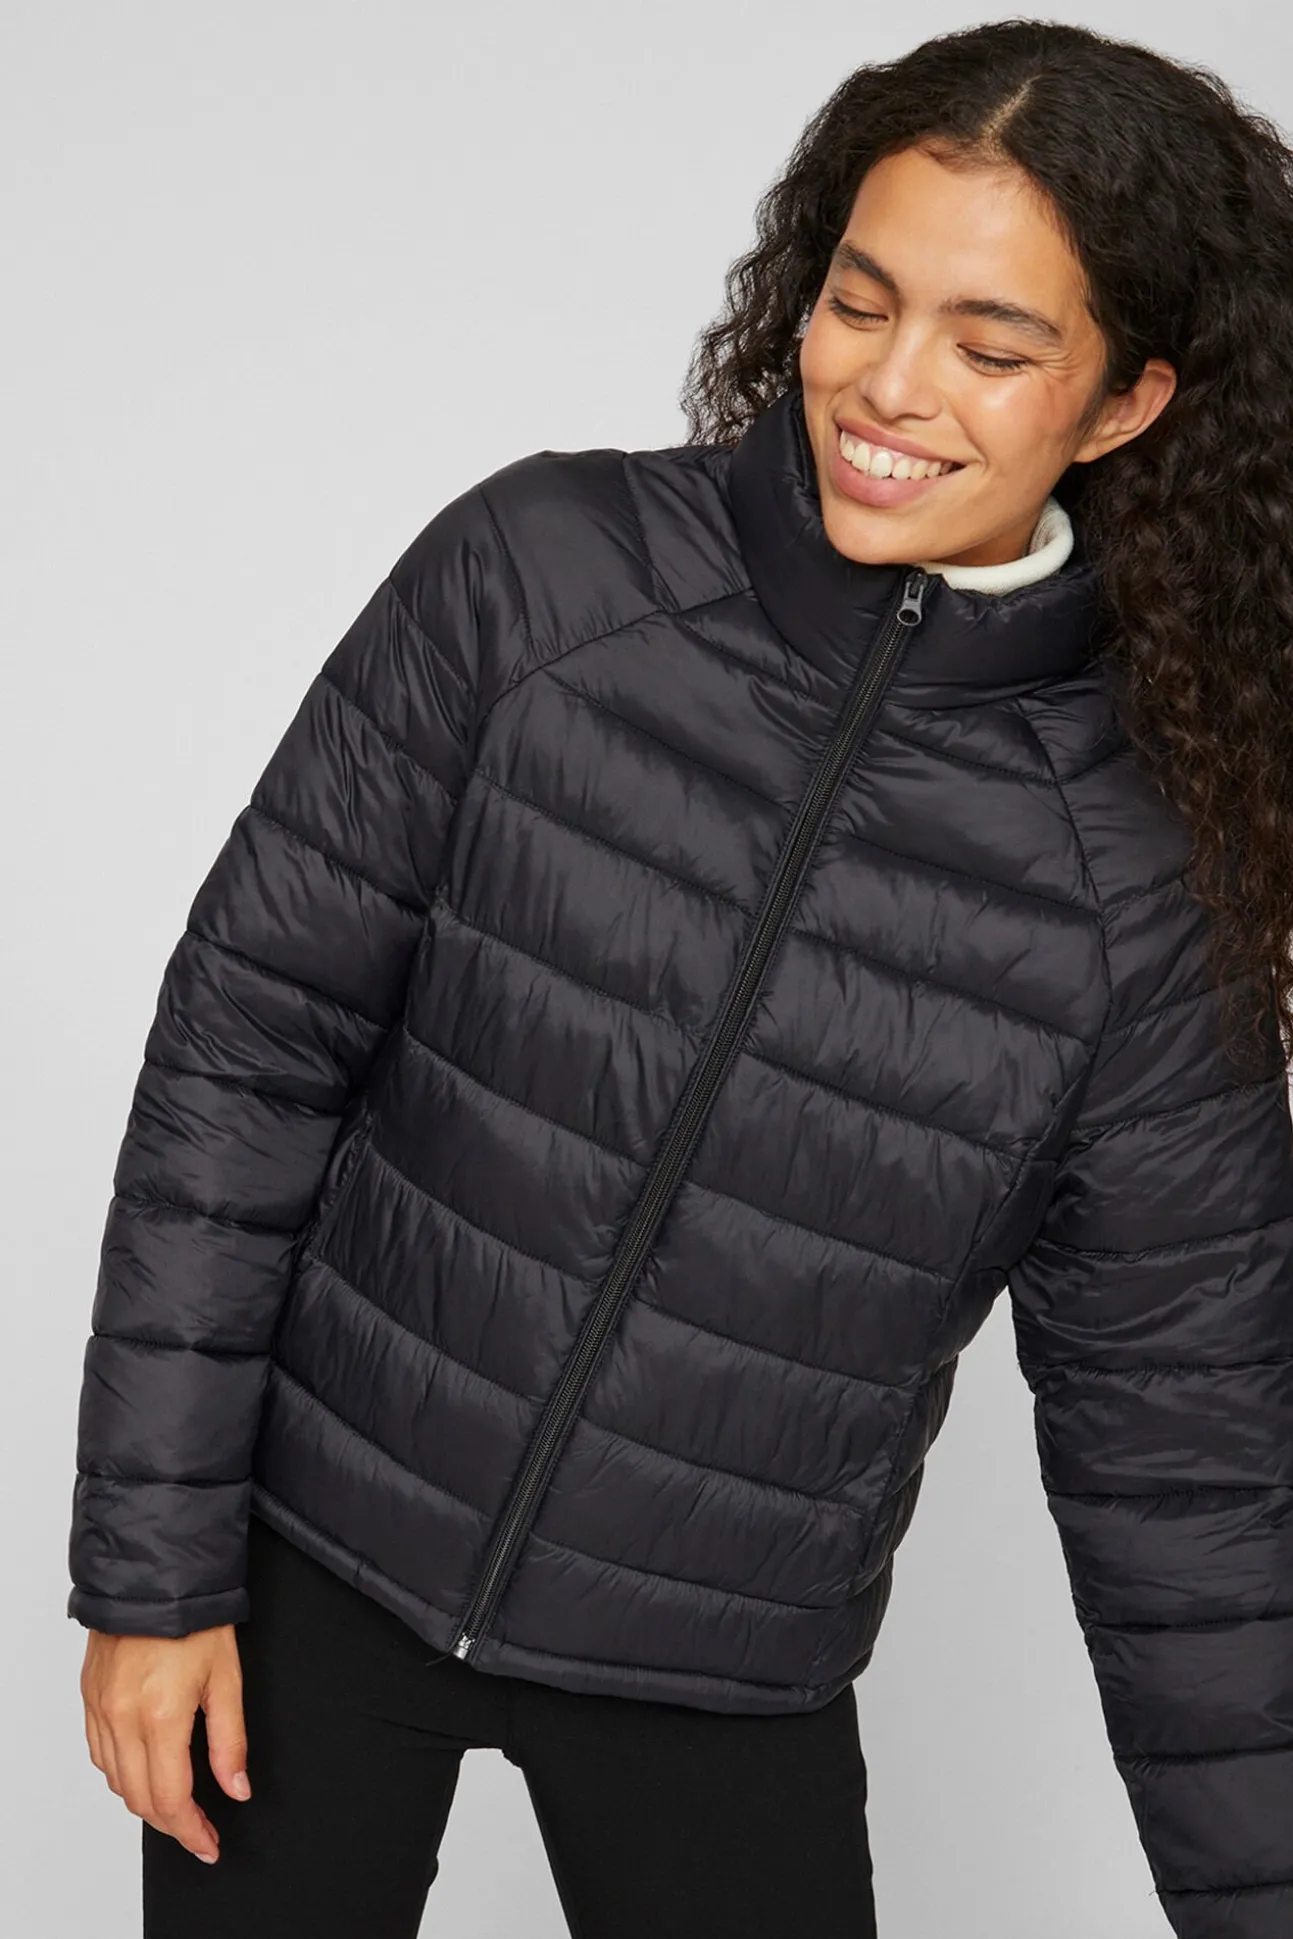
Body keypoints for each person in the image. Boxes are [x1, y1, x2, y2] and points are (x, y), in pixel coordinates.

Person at [69, 18, 1293, 1939]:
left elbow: (1192, 1458)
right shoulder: (546, 578)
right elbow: (244, 1060)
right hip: (310, 1565)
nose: (891, 385)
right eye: (861, 302)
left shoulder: (1132, 875)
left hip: (727, 1664)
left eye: (992, 348)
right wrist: (151, 1578)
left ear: (1127, 401)